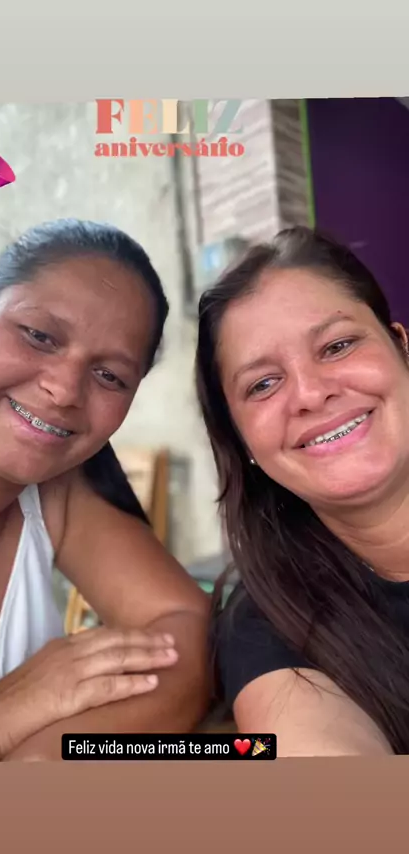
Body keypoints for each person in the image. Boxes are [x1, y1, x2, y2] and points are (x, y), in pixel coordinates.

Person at [0, 218, 209, 762]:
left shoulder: (54, 490)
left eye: (110, 376)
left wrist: (39, 767)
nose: (63, 390)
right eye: (39, 335)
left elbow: (186, 633)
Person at [196, 225, 409, 757]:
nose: (311, 394)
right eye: (263, 384)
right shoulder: (269, 624)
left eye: (337, 346)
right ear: (240, 438)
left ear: (402, 347)